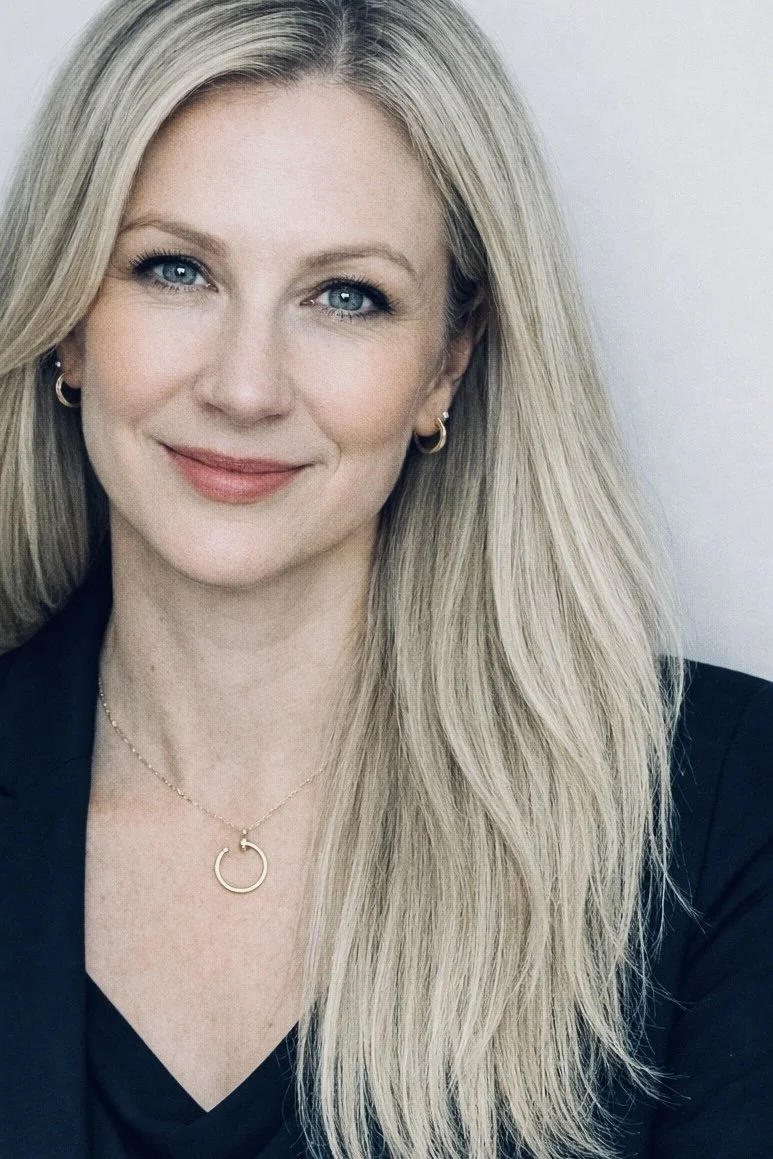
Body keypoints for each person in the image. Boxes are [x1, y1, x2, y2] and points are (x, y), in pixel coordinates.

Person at [0, 0, 771, 1156]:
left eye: (344, 296)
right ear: (68, 322)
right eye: (173, 269)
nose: (245, 385)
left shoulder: (709, 812)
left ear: (444, 366)